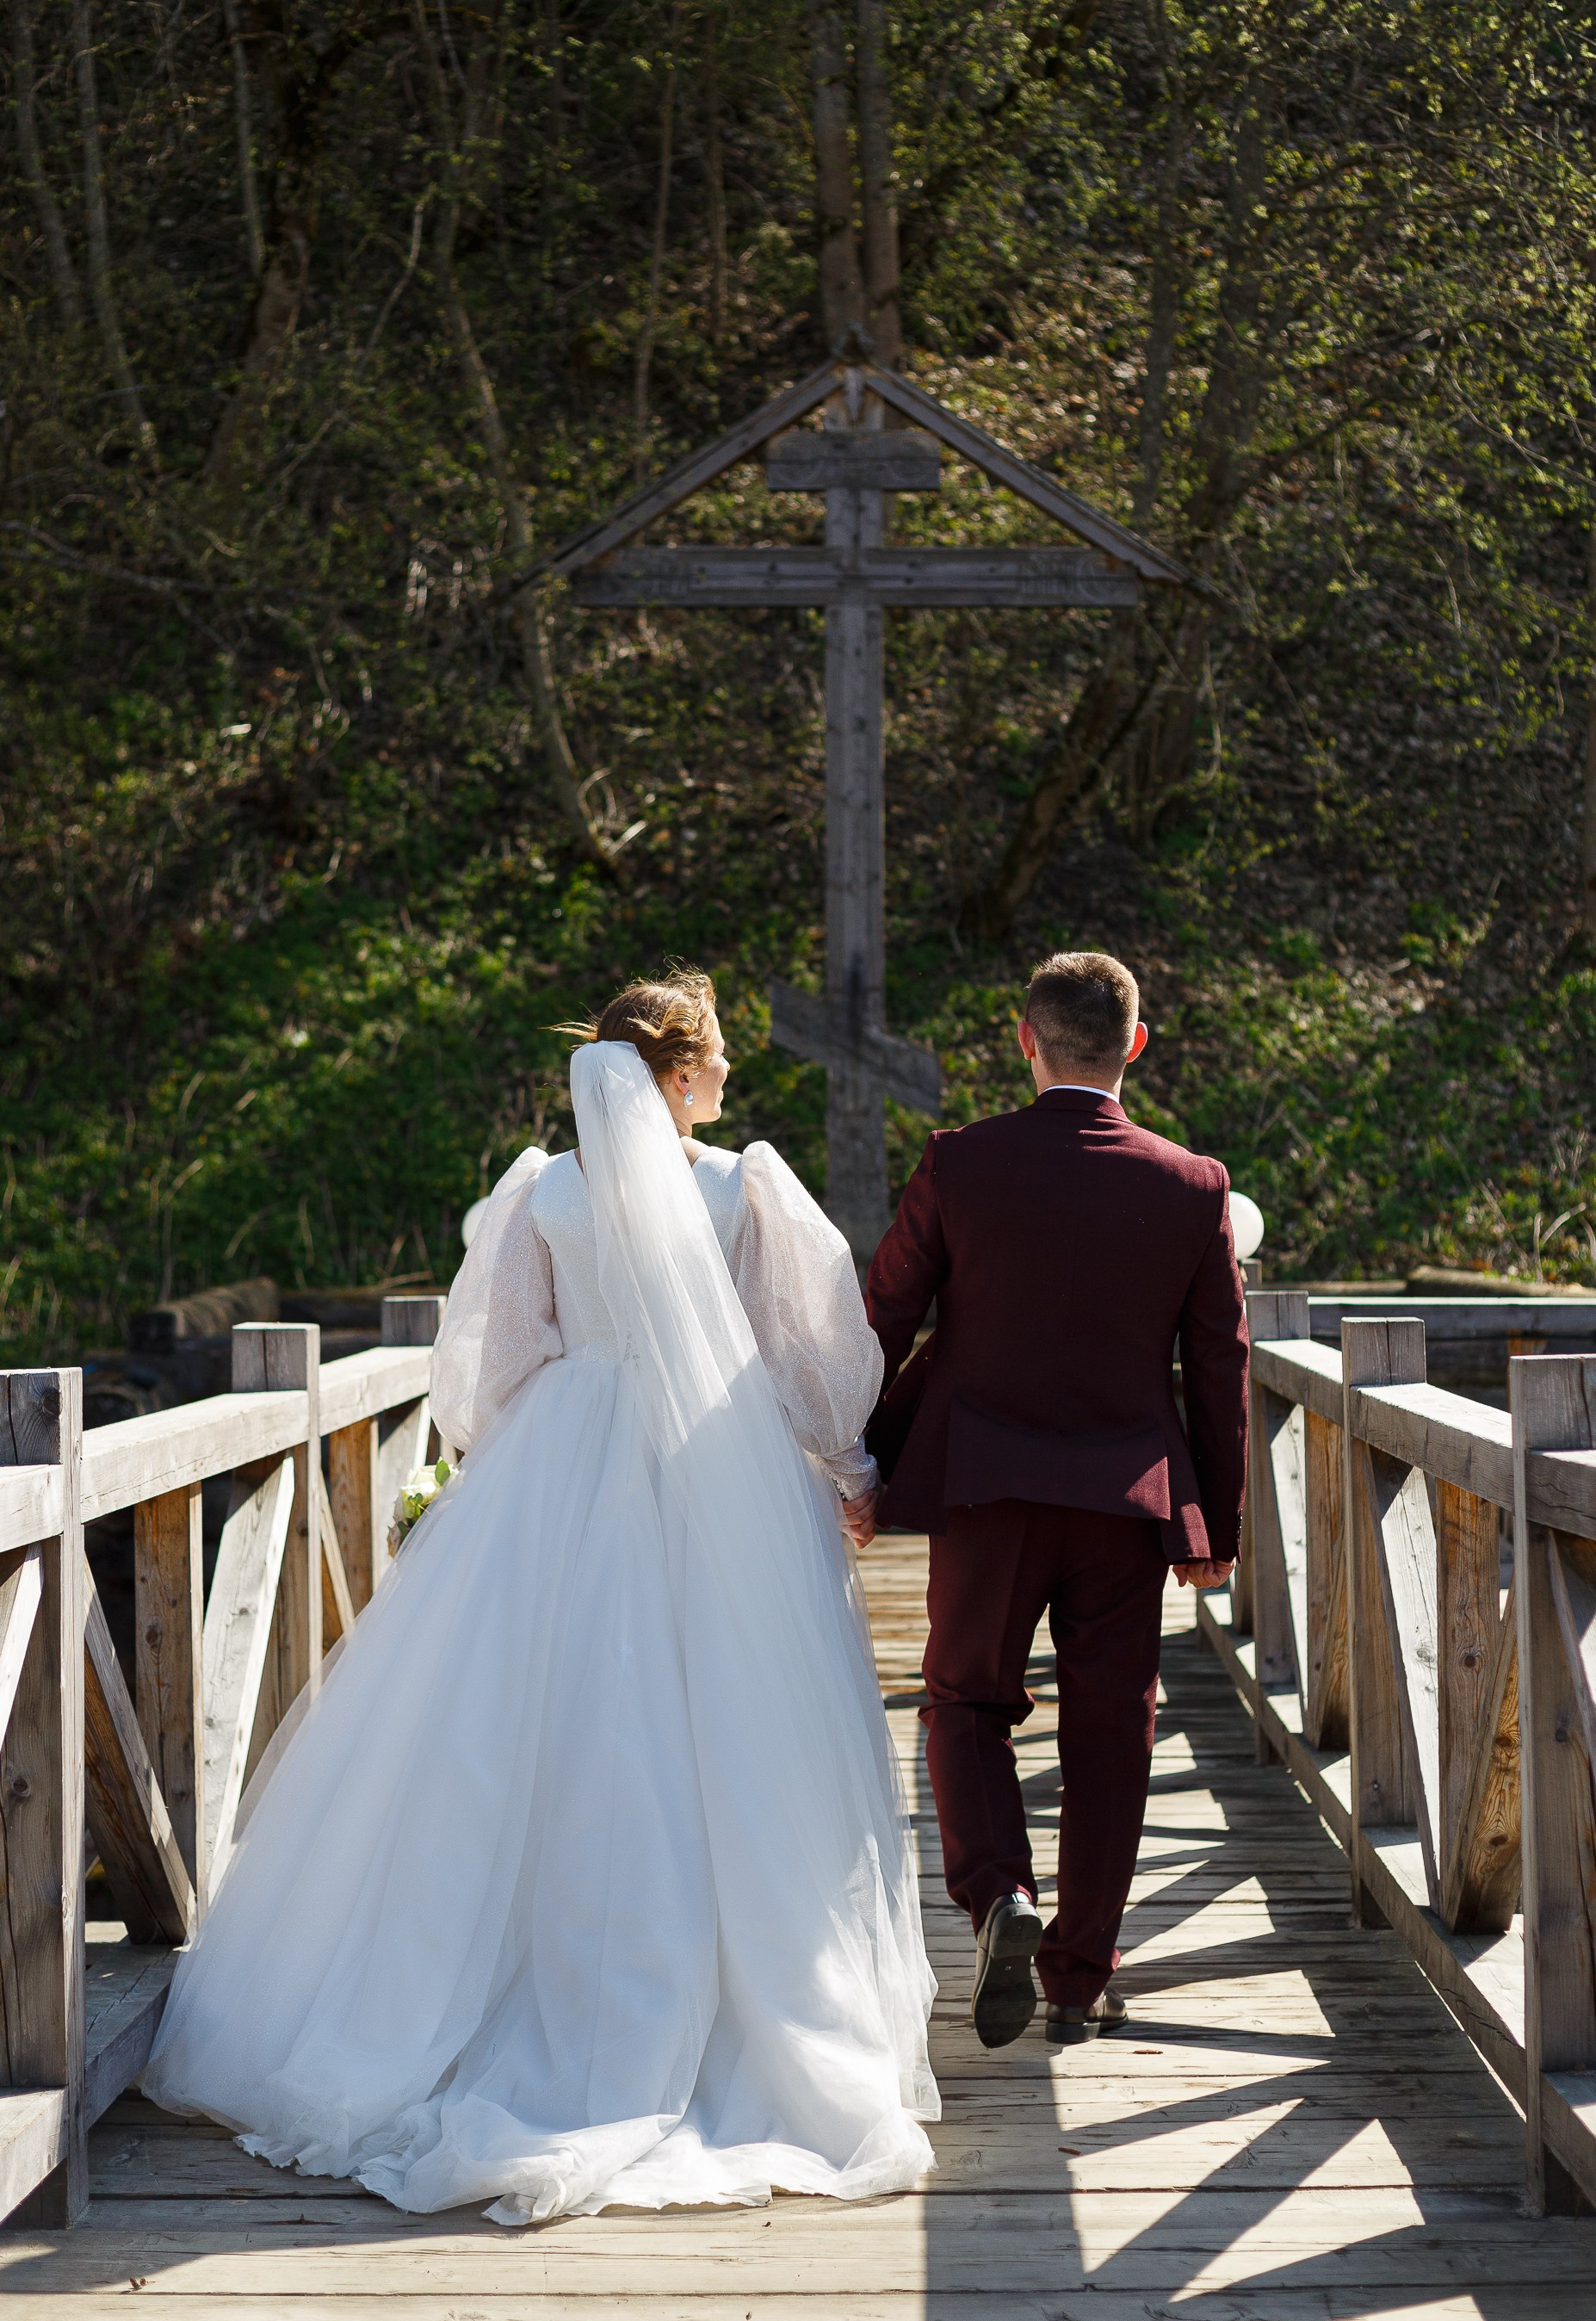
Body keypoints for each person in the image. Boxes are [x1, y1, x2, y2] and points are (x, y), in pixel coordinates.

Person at [145, 971, 937, 2222]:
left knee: (543, 1731)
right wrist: (847, 1468)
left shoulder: (543, 1192)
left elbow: (495, 1364)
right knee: (733, 1731)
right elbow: (808, 1354)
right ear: (679, 1075)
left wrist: (513, 1482)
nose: (731, 1076)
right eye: (720, 1058)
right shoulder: (746, 1188)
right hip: (719, 1467)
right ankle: (740, 2013)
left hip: (568, 1460)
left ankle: (521, 1986)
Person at [863, 950, 1248, 2048]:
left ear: (1023, 1041)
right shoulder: (1192, 1186)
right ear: (1133, 1044)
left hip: (985, 1487)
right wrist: (1214, 1527)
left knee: (965, 1701)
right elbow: (1217, 1366)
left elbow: (881, 1318)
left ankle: (997, 1900)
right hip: (1126, 1502)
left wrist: (847, 1455)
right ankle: (1078, 1978)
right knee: (1112, 1731)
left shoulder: (960, 1163)